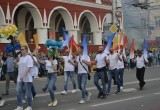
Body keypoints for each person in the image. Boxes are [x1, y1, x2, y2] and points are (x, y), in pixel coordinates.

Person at [14, 45, 34, 110]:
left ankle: (30, 106)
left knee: (28, 93)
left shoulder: (29, 57)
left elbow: (29, 67)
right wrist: (15, 63)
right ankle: (20, 106)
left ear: (26, 50)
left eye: (23, 49)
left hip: (27, 77)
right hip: (20, 77)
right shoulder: (21, 57)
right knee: (18, 91)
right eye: (21, 49)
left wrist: (23, 75)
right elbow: (17, 66)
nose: (21, 50)